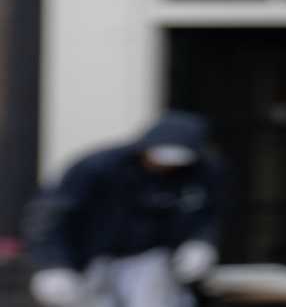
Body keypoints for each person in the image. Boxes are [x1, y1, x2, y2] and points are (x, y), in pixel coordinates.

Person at [24, 112, 224, 307]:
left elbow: (208, 212)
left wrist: (201, 242)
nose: (165, 167)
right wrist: (52, 264)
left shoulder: (202, 172)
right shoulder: (98, 167)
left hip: (150, 260)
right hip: (89, 258)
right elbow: (51, 214)